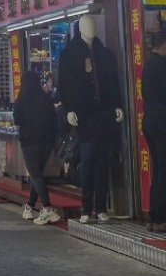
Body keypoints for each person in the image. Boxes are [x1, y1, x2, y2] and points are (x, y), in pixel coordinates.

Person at [58, 15, 123, 224]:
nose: (91, 28)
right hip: (84, 117)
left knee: (103, 163)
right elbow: (64, 84)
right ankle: (86, 207)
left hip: (104, 115)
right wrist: (68, 109)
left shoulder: (103, 53)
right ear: (79, 28)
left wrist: (117, 106)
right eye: (86, 24)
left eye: (93, 24)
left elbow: (113, 82)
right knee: (86, 162)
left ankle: (101, 206)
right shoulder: (69, 54)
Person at [14, 71, 61, 225]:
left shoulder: (21, 100)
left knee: (35, 175)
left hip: (29, 142)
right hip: (46, 142)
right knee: (37, 175)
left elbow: (17, 120)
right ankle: (29, 207)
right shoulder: (45, 99)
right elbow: (53, 119)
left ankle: (48, 209)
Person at [143, 31, 166, 233]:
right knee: (164, 170)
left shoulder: (149, 64)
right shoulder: (161, 64)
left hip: (151, 123)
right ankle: (161, 217)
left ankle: (154, 216)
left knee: (159, 169)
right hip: (163, 124)